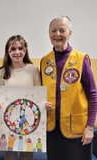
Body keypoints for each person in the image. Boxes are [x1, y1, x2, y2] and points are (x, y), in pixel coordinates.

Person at [40, 16, 97, 160]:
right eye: (53, 30)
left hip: (77, 129)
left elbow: (93, 94)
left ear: (70, 33)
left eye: (62, 30)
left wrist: (90, 127)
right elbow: (41, 93)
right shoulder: (44, 61)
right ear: (49, 34)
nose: (57, 34)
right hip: (52, 129)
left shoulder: (81, 59)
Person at [0, 35, 41, 160]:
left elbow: (39, 96)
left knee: (27, 155)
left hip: (29, 121)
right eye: (13, 49)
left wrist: (44, 104)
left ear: (25, 50)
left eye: (20, 48)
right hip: (8, 122)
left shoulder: (33, 70)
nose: (17, 52)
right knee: (9, 156)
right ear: (8, 52)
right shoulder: (1, 73)